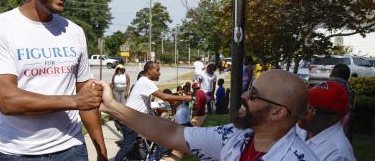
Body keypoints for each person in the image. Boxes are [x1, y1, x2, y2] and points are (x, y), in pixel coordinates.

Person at [0, 0, 106, 160]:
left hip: (72, 149)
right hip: (19, 153)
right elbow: (8, 101)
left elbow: (87, 97)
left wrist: (100, 149)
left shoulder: (75, 32)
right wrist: (75, 101)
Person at [99, 69, 319, 161]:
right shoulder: (236, 137)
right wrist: (111, 105)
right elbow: (172, 133)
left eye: (253, 94)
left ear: (278, 113)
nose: (243, 95)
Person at [115, 61, 192, 161]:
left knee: (158, 137)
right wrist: (185, 98)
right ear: (149, 71)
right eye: (157, 70)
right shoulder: (145, 81)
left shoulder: (144, 80)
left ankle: (153, 157)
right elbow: (163, 96)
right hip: (131, 120)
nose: (159, 73)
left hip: (135, 120)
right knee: (127, 147)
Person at [297, 81, 356, 161]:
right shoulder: (303, 128)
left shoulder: (337, 154)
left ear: (332, 119)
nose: (302, 111)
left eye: (311, 109)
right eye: (305, 104)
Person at [329, 63, 356, 139]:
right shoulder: (348, 87)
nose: (331, 77)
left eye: (334, 74)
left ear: (342, 76)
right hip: (344, 116)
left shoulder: (338, 82)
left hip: (336, 116)